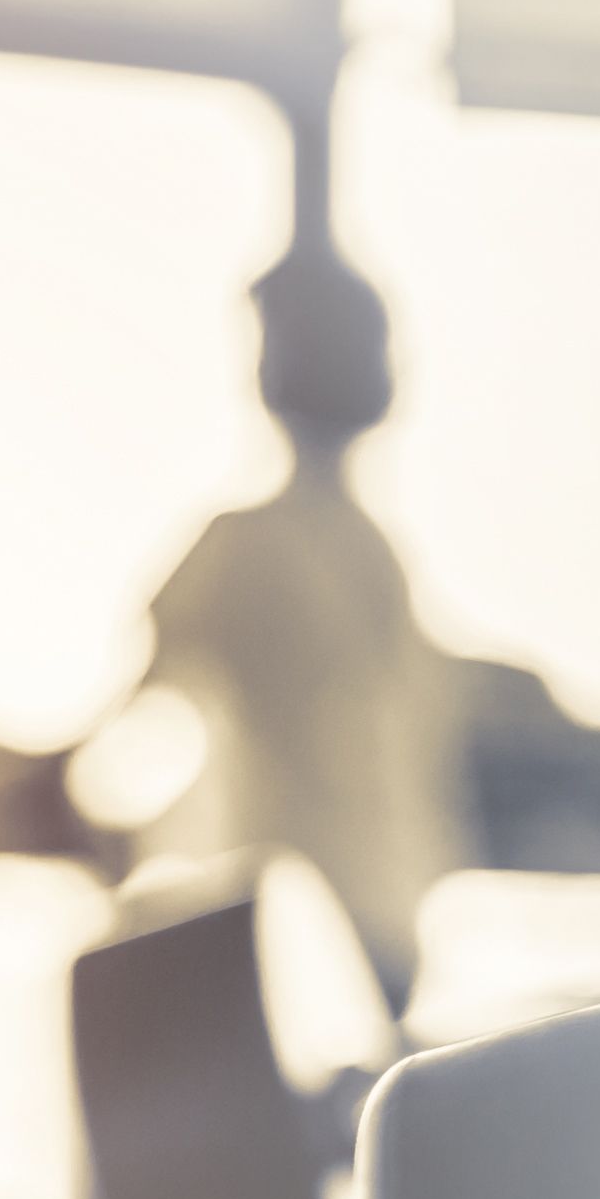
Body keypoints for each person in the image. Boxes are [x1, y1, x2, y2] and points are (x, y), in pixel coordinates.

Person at [138, 241, 467, 1001]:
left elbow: (116, 736)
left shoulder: (236, 547)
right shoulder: (380, 549)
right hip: (396, 915)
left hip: (293, 935)